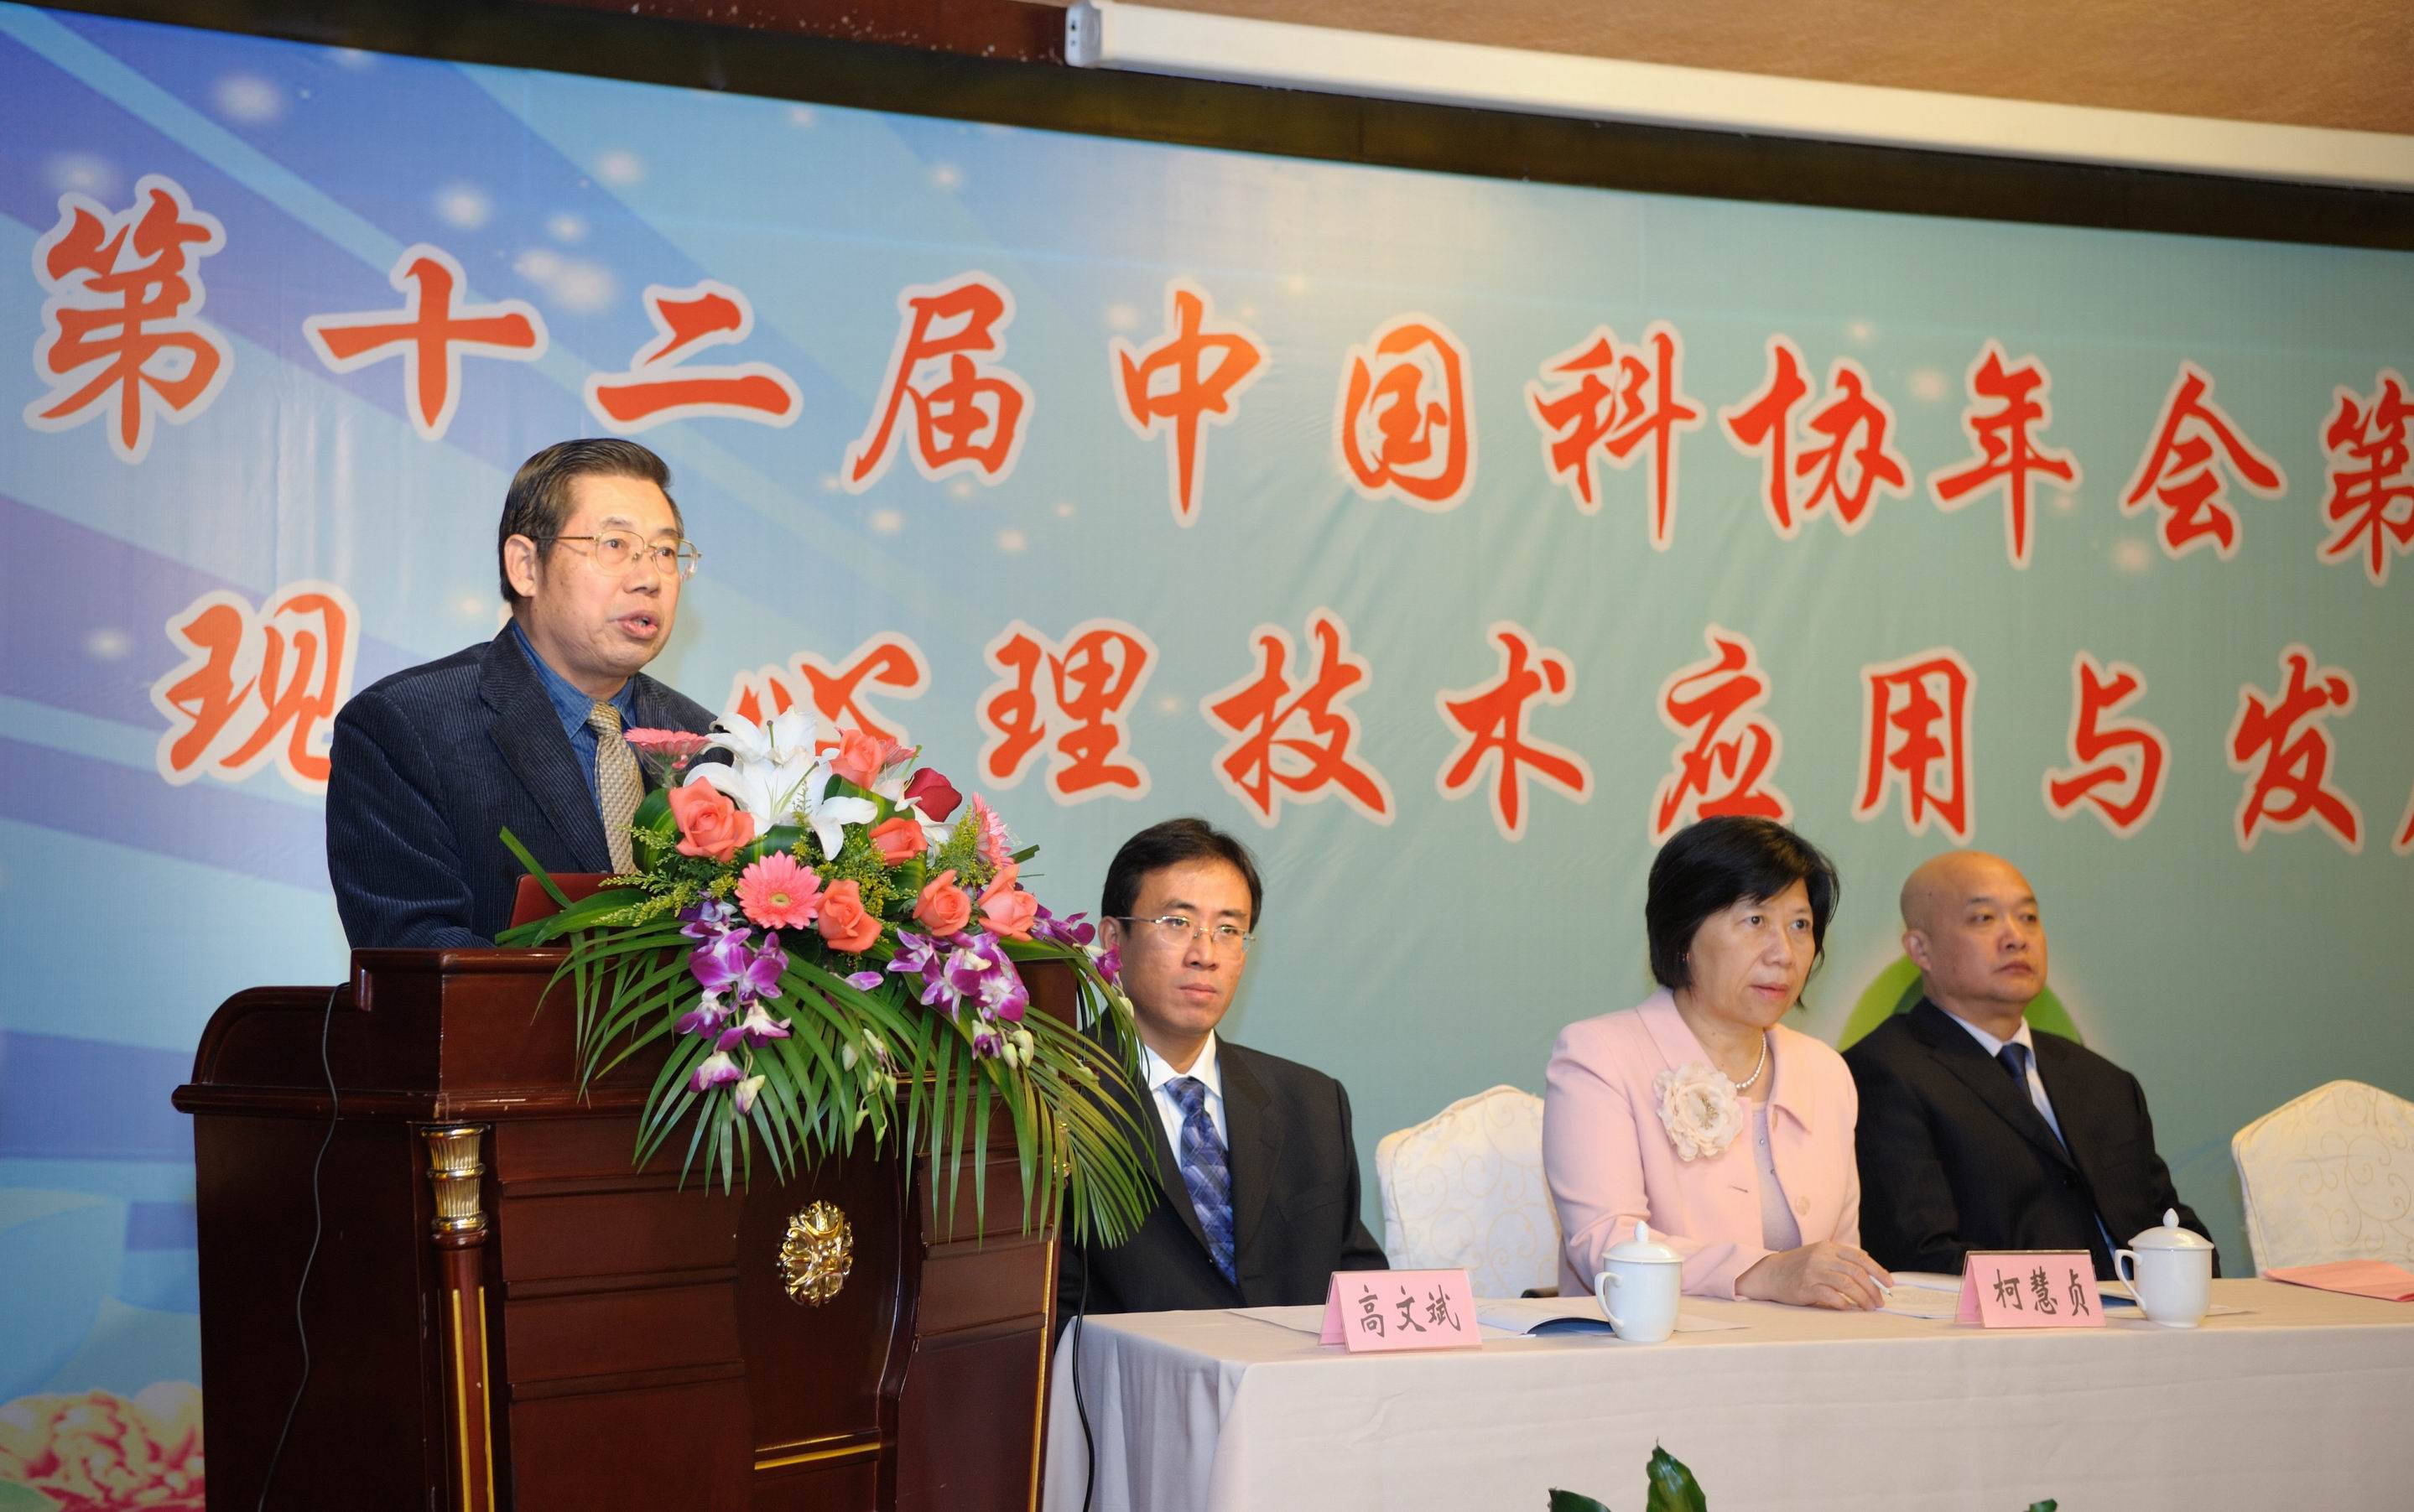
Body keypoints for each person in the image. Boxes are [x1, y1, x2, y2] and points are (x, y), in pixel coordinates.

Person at [326, 439, 718, 948]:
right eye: (614, 545)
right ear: (526, 567)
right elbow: (412, 949)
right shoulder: (404, 726)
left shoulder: (709, 745)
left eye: (665, 552)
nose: (649, 578)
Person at [1543, 816, 1889, 1308]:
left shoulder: (1825, 1070)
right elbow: (1605, 1243)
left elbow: (1841, 1259)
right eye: (1755, 921)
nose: (1784, 954)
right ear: (1683, 935)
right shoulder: (1599, 1056)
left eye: (1800, 925)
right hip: (1649, 1346)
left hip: (1805, 1348)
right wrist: (1764, 1273)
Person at [1056, 818, 1387, 1317]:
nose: (1205, 954)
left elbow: (1360, 1284)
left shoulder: (1312, 1104)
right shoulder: (1051, 1095)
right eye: (1176, 923)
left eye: (1229, 930)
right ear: (1113, 940)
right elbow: (1043, 1312)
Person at [1844, 850, 2215, 1280]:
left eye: (2028, 918)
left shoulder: (2104, 1081)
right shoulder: (1883, 1073)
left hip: (2151, 1314)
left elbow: (2171, 1225)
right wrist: (2082, 1299)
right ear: (1920, 949)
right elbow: (1920, 1256)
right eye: (1984, 918)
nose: (2016, 938)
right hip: (2015, 1320)